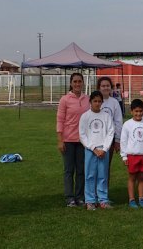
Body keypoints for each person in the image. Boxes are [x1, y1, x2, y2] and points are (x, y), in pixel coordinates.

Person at [56, 72, 90, 207]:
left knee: (81, 170)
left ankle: (80, 196)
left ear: (83, 83)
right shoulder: (65, 99)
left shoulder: (87, 99)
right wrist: (60, 139)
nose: (77, 84)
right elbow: (60, 120)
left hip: (83, 141)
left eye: (79, 81)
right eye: (75, 81)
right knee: (69, 170)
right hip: (68, 140)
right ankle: (70, 197)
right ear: (71, 83)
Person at [78, 91, 115, 210]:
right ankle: (90, 200)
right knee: (89, 175)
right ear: (90, 102)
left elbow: (110, 132)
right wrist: (93, 148)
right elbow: (82, 135)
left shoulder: (106, 116)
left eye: (99, 101)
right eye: (95, 101)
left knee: (102, 176)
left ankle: (103, 200)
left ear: (102, 102)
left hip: (104, 150)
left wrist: (104, 149)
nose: (97, 103)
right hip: (90, 150)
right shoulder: (85, 116)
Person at [120, 99, 143, 208]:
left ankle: (141, 199)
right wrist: (124, 156)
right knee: (132, 177)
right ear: (131, 111)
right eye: (136, 111)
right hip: (132, 155)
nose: (138, 113)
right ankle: (131, 199)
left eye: (140, 111)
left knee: (142, 177)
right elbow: (123, 141)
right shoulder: (127, 124)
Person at [97, 77, 123, 187]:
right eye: (103, 86)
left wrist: (117, 140)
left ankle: (104, 194)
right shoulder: (95, 100)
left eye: (107, 85)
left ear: (111, 88)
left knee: (105, 166)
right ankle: (93, 194)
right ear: (99, 87)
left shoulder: (114, 103)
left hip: (109, 139)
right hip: (96, 139)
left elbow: (118, 121)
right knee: (95, 167)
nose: (105, 88)